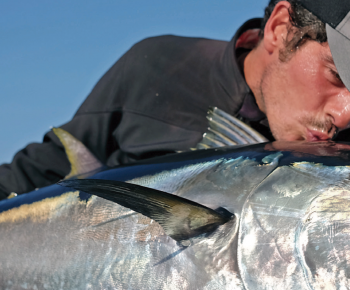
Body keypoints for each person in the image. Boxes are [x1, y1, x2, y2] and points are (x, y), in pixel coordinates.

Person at [1, 0, 350, 200]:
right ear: (279, 29)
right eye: (335, 75)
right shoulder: (158, 67)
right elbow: (35, 175)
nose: (345, 115)